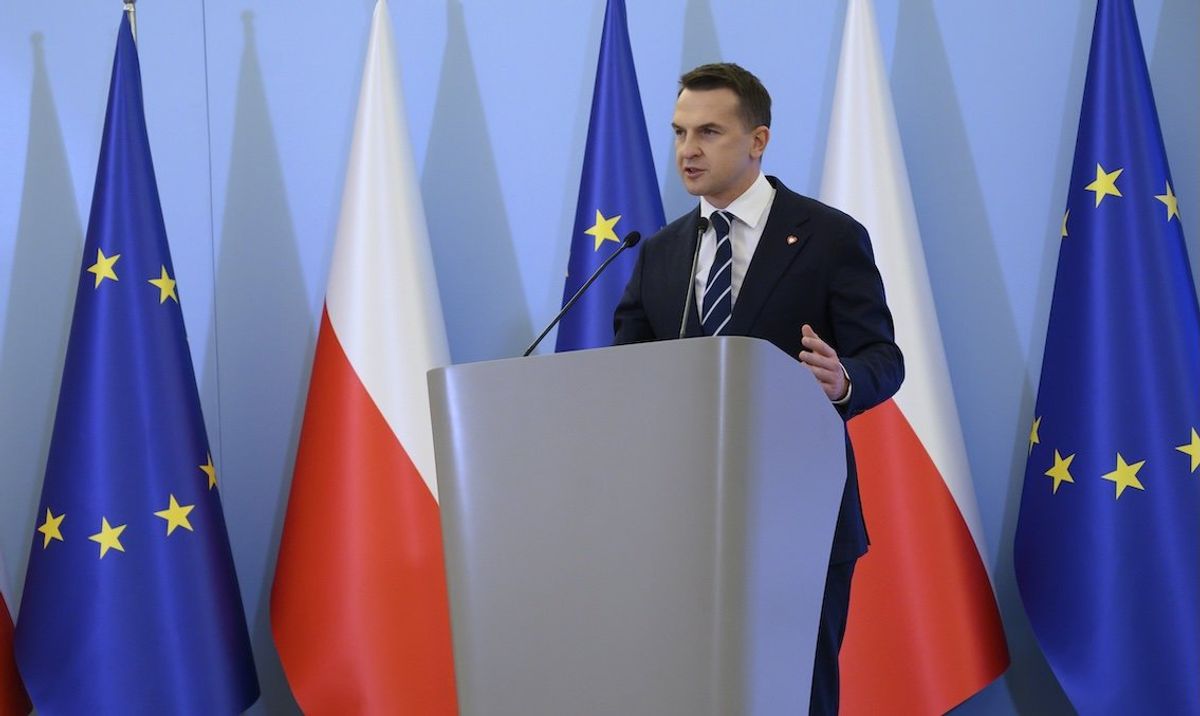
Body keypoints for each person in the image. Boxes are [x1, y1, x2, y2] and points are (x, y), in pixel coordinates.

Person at [613, 62, 903, 715]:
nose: (688, 149)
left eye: (709, 131)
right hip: (684, 519)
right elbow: (625, 371)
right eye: (681, 131)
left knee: (794, 697)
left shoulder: (828, 236)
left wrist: (845, 378)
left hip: (800, 508)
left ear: (758, 140)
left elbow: (884, 356)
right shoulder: (659, 252)